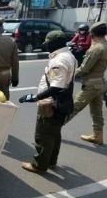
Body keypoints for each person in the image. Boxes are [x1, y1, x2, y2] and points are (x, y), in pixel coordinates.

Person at [18, 31, 77, 173]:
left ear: (55, 43)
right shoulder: (69, 56)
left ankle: (39, 165)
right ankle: (51, 161)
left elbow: (57, 86)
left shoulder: (59, 60)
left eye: (48, 43)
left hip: (51, 103)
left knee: (43, 135)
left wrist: (35, 97)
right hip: (63, 101)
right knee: (54, 134)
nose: (46, 46)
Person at [65, 22, 107, 145]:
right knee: (97, 112)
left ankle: (52, 131)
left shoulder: (96, 48)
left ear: (92, 33)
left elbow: (84, 68)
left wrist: (68, 76)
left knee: (73, 108)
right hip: (101, 82)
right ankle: (98, 136)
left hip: (91, 84)